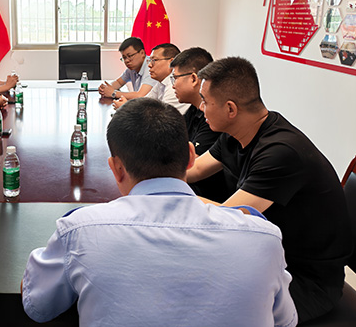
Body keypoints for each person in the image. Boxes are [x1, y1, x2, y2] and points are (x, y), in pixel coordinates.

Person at [22, 98, 297, 327]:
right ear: (191, 157)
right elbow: (285, 321)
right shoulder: (264, 238)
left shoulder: (79, 231)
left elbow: (37, 306)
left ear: (116, 168)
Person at [187, 56, 352, 323]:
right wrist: (149, 172)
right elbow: (193, 170)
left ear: (230, 109)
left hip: (307, 281)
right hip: (270, 257)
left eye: (205, 101)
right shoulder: (234, 134)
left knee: (205, 307)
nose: (201, 108)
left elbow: (227, 219)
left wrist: (166, 197)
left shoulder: (281, 152)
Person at [169, 47, 229, 202]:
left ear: (194, 79)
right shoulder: (193, 110)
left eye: (175, 78)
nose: (173, 85)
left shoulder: (213, 119)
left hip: (205, 195)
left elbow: (191, 164)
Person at [113, 43, 188, 114]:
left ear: (171, 62)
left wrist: (126, 108)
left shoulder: (174, 86)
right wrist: (127, 105)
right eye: (150, 61)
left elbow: (163, 118)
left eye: (154, 60)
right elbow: (145, 103)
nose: (149, 65)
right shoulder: (162, 82)